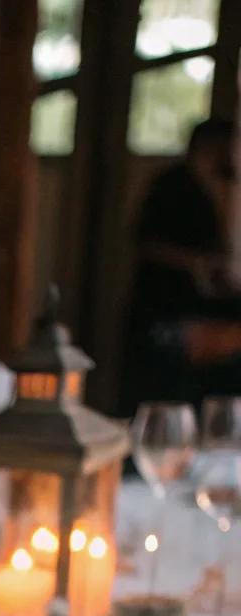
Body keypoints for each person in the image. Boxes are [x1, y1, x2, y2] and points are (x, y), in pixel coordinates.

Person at [124, 117, 241, 410]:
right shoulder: (172, 185)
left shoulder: (210, 188)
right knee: (162, 389)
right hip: (164, 303)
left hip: (197, 303)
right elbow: (145, 241)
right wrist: (197, 263)